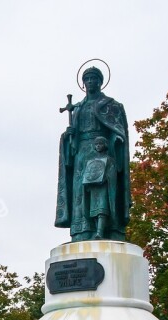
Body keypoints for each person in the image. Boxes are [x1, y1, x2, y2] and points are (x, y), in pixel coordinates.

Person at [55, 66, 131, 241]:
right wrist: (68, 137)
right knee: (80, 191)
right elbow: (73, 135)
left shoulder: (111, 105)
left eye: (93, 79)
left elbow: (117, 130)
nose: (90, 82)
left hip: (102, 153)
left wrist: (116, 141)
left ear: (100, 82)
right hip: (82, 154)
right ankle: (82, 231)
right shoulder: (78, 107)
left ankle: (106, 229)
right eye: (87, 79)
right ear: (83, 83)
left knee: (102, 191)